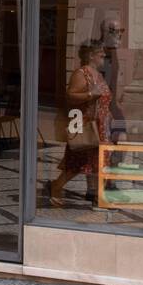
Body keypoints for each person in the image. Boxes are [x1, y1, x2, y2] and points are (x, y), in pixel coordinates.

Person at [49, 42, 111, 205]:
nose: (104, 55)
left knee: (99, 162)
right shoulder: (81, 74)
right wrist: (91, 94)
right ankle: (56, 186)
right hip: (88, 127)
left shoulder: (98, 74)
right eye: (101, 53)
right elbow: (71, 96)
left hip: (101, 126)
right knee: (77, 164)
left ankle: (98, 196)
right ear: (91, 55)